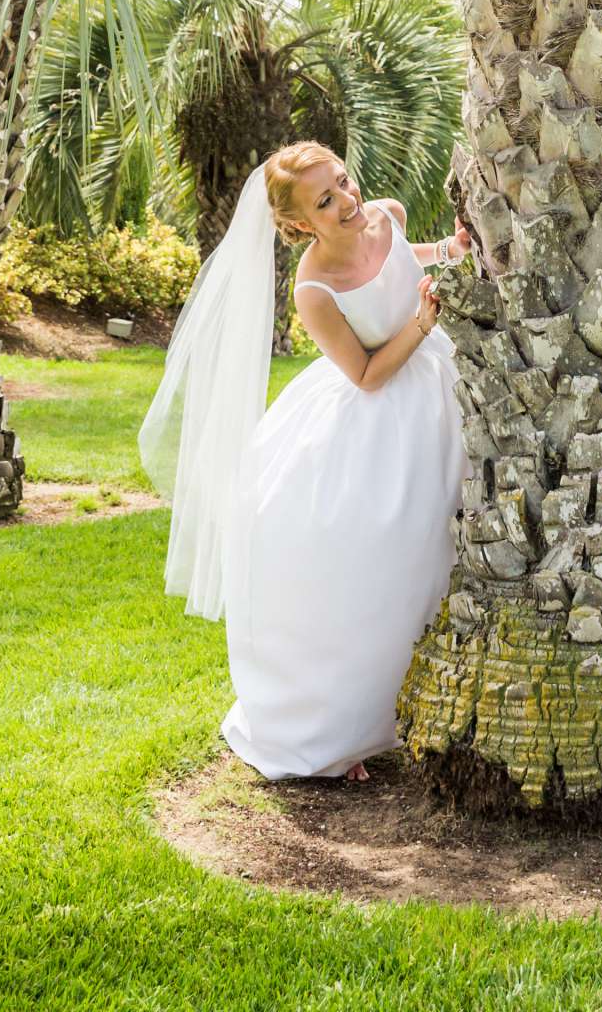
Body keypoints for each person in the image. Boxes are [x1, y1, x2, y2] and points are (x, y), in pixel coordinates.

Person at [137, 141, 470, 783]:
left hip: (441, 388)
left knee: (444, 544)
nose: (347, 201)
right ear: (298, 225)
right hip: (379, 409)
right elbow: (368, 374)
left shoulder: (387, 214)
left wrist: (447, 253)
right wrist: (424, 324)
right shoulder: (313, 289)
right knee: (372, 554)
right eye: (325, 200)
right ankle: (346, 727)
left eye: (343, 182)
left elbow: (405, 258)